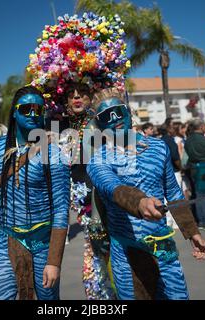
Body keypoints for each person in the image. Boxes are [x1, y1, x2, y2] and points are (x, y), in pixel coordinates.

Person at [87, 87, 205, 300]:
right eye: (106, 116)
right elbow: (113, 187)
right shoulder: (98, 160)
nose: (115, 119)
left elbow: (172, 191)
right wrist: (140, 203)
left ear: (129, 113)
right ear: (98, 125)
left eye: (119, 112)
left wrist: (191, 231)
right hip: (126, 251)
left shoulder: (158, 147)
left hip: (162, 244)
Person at [0, 86, 70, 300]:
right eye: (27, 109)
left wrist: (54, 261)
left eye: (39, 109)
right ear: (14, 112)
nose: (34, 114)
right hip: (7, 238)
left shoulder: (54, 154)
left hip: (43, 243)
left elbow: (62, 210)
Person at [59, 82, 114, 300]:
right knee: (94, 244)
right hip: (80, 195)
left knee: (106, 241)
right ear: (66, 102)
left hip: (103, 190)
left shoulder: (99, 123)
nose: (76, 98)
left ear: (90, 98)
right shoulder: (59, 127)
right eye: (72, 95)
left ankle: (111, 291)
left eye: (81, 94)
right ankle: (99, 293)